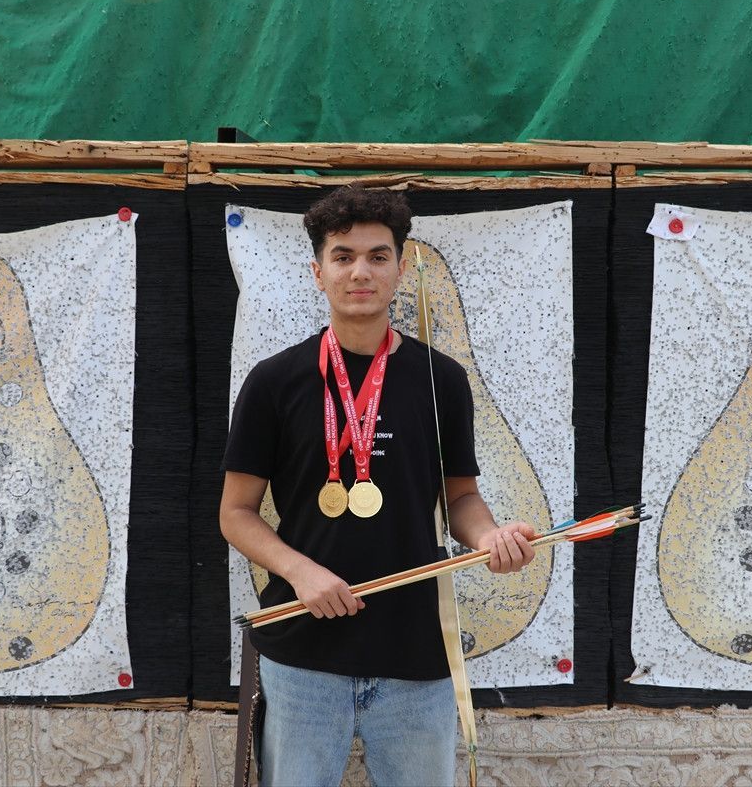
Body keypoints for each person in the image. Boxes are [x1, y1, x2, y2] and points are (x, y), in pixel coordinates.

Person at [220, 186, 536, 787]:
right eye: (342, 257)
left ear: (400, 267)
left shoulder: (442, 381)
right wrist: (301, 573)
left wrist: (489, 538)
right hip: (302, 651)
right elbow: (236, 513)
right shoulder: (273, 382)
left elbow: (460, 497)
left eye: (377, 256)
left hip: (416, 654)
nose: (360, 272)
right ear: (318, 272)